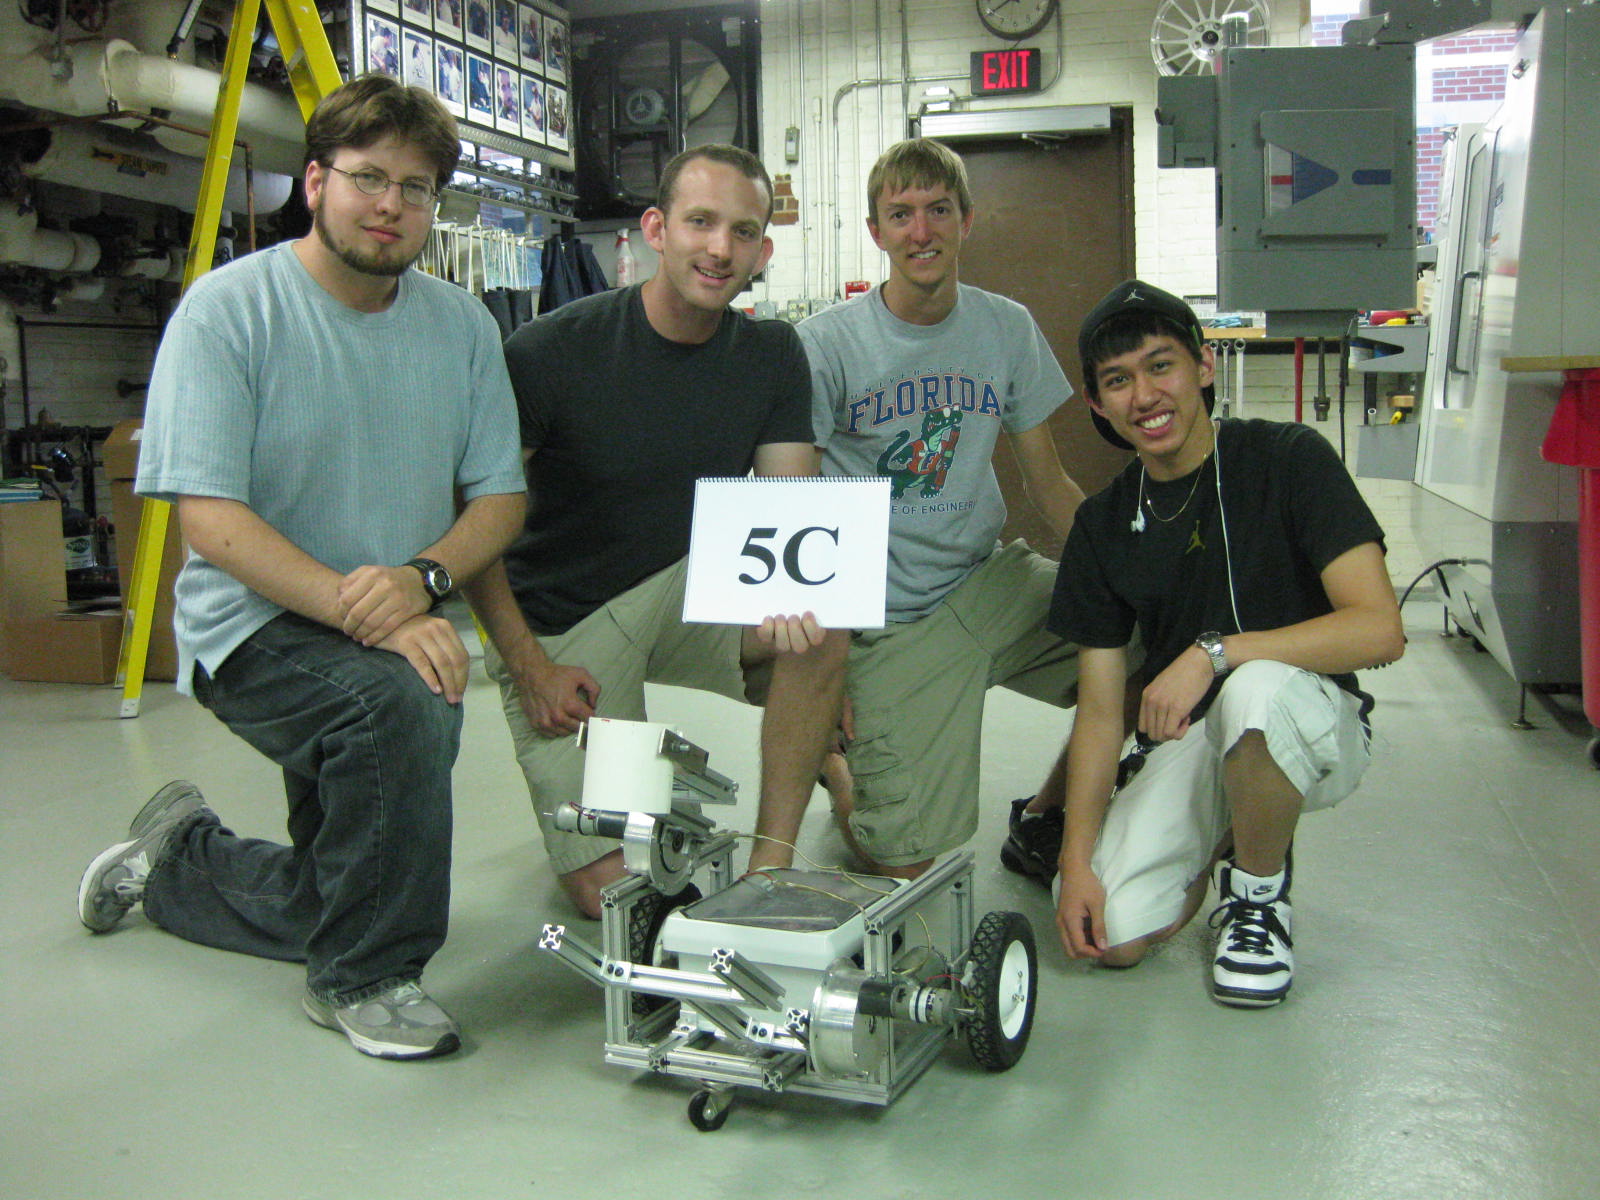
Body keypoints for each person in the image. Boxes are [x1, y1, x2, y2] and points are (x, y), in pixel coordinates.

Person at [75, 75, 526, 1059]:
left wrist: (419, 582)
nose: (390, 204)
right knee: (403, 704)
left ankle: (180, 859)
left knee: (343, 886)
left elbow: (500, 499)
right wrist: (368, 611)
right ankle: (365, 976)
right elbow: (210, 519)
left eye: (416, 188)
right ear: (316, 181)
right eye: (368, 177)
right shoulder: (228, 311)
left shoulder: (462, 327)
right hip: (252, 624)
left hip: (393, 608)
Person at [466, 144, 848, 917]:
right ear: (655, 230)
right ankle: (666, 786)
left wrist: (791, 604)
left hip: (686, 588)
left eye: (743, 232)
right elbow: (474, 526)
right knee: (611, 891)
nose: (720, 248)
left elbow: (791, 509)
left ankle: (770, 867)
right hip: (566, 622)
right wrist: (528, 666)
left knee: (819, 626)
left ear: (763, 251)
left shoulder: (772, 353)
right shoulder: (548, 351)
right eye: (700, 222)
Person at [1033, 280, 1404, 1006]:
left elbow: (1379, 629)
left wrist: (1215, 653)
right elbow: (1102, 714)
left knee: (1254, 692)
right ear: (1098, 405)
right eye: (1118, 380)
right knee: (1115, 937)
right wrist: (1075, 863)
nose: (1145, 395)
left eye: (1160, 365)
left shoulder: (1288, 458)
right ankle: (1227, 831)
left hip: (1311, 721)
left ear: (1203, 366)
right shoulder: (1103, 526)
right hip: (1194, 739)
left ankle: (1257, 895)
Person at [769, 137, 1086, 878]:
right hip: (887, 618)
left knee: (1148, 648)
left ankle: (1046, 815)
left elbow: (1049, 482)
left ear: (965, 222)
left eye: (939, 210)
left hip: (989, 583)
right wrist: (824, 670)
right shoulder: (824, 345)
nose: (921, 231)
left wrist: (1128, 579)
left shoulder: (1006, 327)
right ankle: (837, 767)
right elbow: (792, 510)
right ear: (876, 232)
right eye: (901, 214)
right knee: (899, 861)